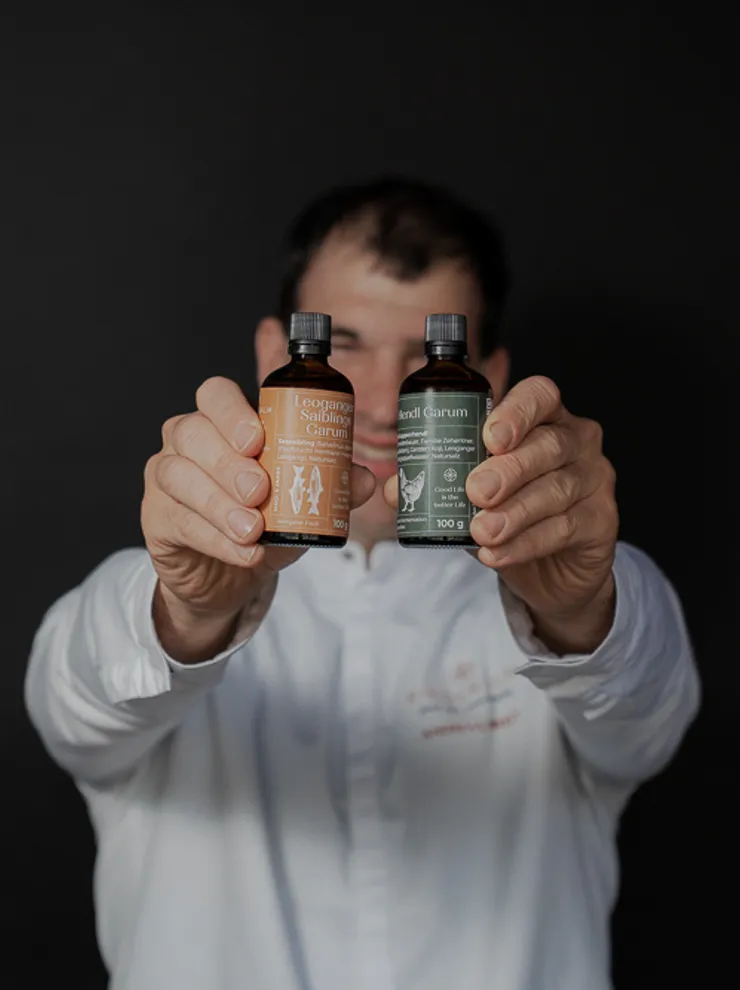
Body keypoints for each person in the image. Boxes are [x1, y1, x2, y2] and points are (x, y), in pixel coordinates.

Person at [25, 176, 699, 990]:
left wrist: (583, 610)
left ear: (488, 374)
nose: (381, 402)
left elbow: (653, 715)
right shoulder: (155, 592)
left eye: (426, 357)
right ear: (277, 356)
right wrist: (191, 611)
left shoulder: (574, 593)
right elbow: (70, 708)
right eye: (341, 347)